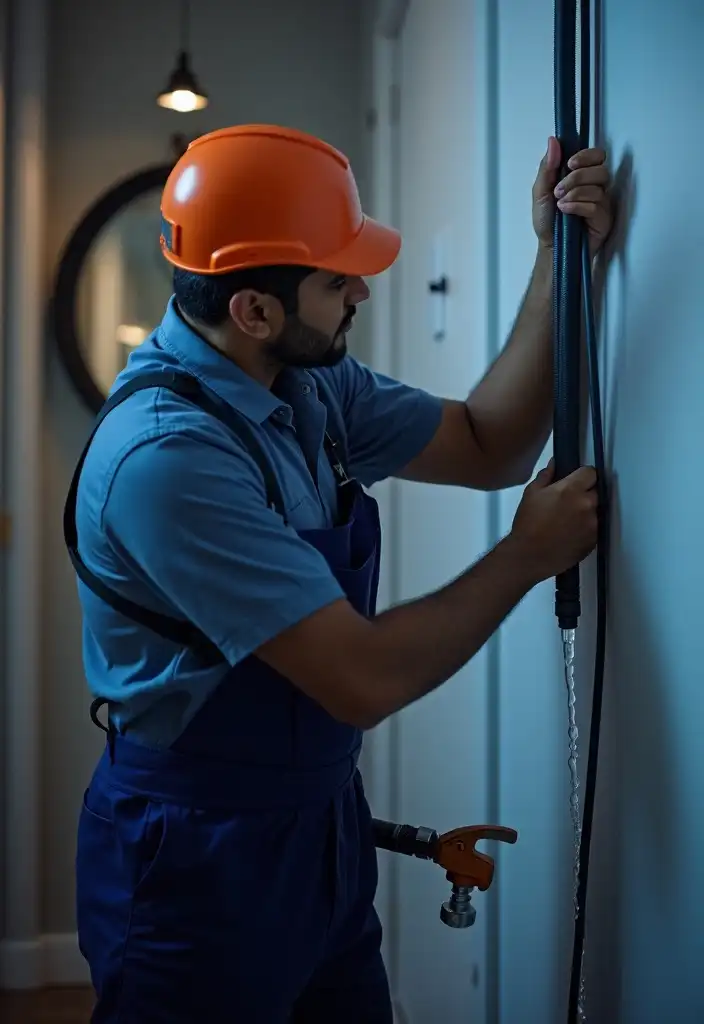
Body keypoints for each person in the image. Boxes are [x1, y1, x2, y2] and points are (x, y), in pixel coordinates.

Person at [66, 124, 612, 1023]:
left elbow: (488, 443)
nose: (360, 290)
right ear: (253, 309)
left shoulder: (305, 385)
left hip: (319, 828)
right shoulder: (170, 459)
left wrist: (555, 258)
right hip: (194, 857)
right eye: (335, 278)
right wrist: (526, 556)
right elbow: (358, 679)